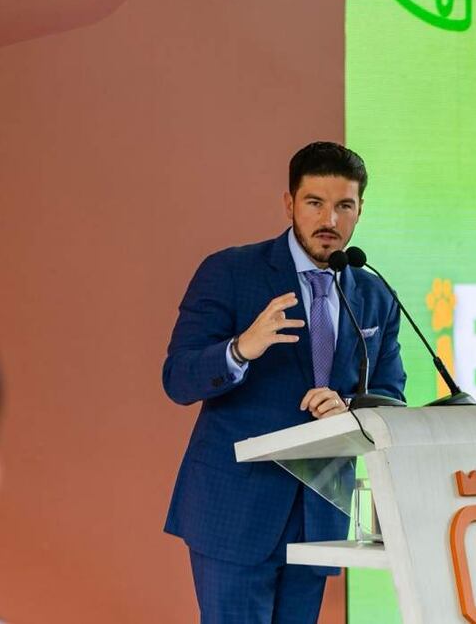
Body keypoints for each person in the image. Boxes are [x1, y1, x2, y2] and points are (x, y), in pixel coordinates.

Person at [162, 142, 406, 624]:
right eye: (315, 203)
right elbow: (177, 379)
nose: (329, 220)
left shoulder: (374, 295)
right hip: (234, 510)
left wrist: (350, 408)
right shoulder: (231, 272)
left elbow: (391, 396)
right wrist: (241, 349)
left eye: (344, 206)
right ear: (289, 203)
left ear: (359, 210)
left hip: (318, 513)